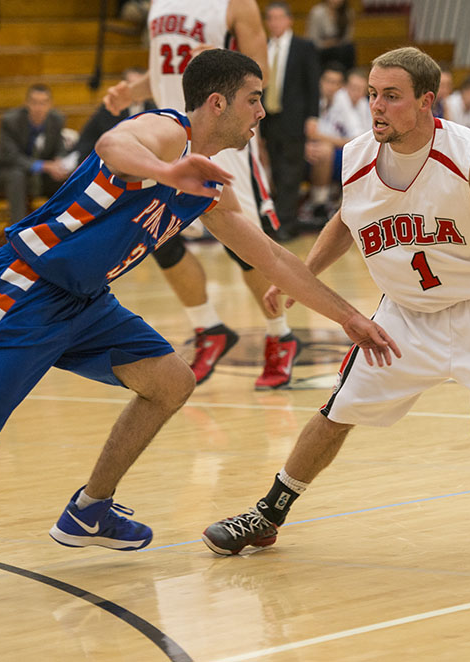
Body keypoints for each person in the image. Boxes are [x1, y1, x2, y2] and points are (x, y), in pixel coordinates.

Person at [0, 48, 399, 615]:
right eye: (254, 100)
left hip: (85, 304)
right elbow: (113, 144)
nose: (262, 113)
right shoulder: (164, 132)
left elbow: (275, 260)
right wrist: (165, 172)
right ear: (217, 102)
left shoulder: (209, 185)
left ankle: (91, 507)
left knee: (171, 380)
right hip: (23, 293)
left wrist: (350, 318)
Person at [201, 47, 470, 557]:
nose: (377, 107)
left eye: (392, 97)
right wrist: (303, 275)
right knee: (337, 411)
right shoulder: (358, 155)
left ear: (427, 102)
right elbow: (347, 217)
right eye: (375, 95)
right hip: (405, 315)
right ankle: (268, 514)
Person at [104, 0, 300, 390]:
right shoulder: (159, 4)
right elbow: (168, 67)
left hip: (223, 135)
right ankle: (207, 326)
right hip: (169, 133)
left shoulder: (236, 4)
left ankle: (281, 334)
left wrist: (222, 61)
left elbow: (261, 71)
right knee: (154, 234)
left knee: (243, 244)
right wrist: (134, 90)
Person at [262, 1, 320, 238]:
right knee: (275, 171)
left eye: (279, 18)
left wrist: (313, 116)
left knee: (291, 172)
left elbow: (312, 83)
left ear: (289, 20)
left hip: (294, 118)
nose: (275, 22)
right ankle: (278, 221)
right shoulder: (263, 47)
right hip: (269, 118)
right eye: (270, 18)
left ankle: (288, 223)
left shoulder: (303, 47)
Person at [0, 84, 70, 225]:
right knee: (16, 175)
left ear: (50, 104)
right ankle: (18, 230)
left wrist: (59, 161)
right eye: (34, 102)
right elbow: (9, 156)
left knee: (64, 176)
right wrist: (44, 166)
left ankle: (61, 227)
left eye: (43, 103)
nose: (38, 107)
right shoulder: (10, 121)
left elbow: (59, 147)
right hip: (5, 171)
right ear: (27, 103)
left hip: (39, 175)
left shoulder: (56, 119)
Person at [305, 65, 370, 223]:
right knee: (328, 151)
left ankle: (344, 205)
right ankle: (318, 204)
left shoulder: (360, 104)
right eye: (353, 88)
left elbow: (357, 139)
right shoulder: (315, 97)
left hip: (337, 149)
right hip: (309, 147)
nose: (357, 93)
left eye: (361, 89)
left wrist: (321, 136)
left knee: (363, 154)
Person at [63, 67, 157, 171]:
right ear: (124, 87)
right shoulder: (111, 107)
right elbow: (115, 138)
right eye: (132, 85)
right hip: (94, 159)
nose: (137, 91)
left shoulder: (153, 107)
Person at [306, 0, 355, 72]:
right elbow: (311, 38)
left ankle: (347, 76)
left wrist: (336, 43)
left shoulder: (348, 12)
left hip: (340, 47)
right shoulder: (317, 12)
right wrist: (326, 44)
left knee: (349, 48)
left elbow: (347, 37)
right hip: (321, 49)